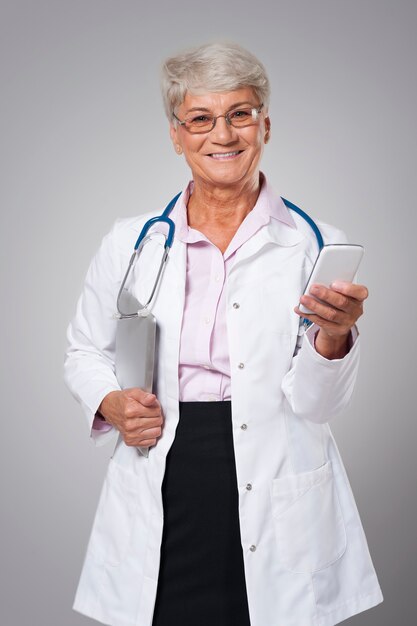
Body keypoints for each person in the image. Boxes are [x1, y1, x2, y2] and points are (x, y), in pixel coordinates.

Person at [64, 41, 383, 626]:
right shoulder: (131, 242)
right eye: (201, 119)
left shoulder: (313, 246)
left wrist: (332, 342)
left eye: (240, 113)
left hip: (274, 464)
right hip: (166, 462)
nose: (224, 135)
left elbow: (317, 404)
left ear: (265, 124)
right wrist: (111, 400)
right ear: (176, 134)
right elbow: (85, 351)